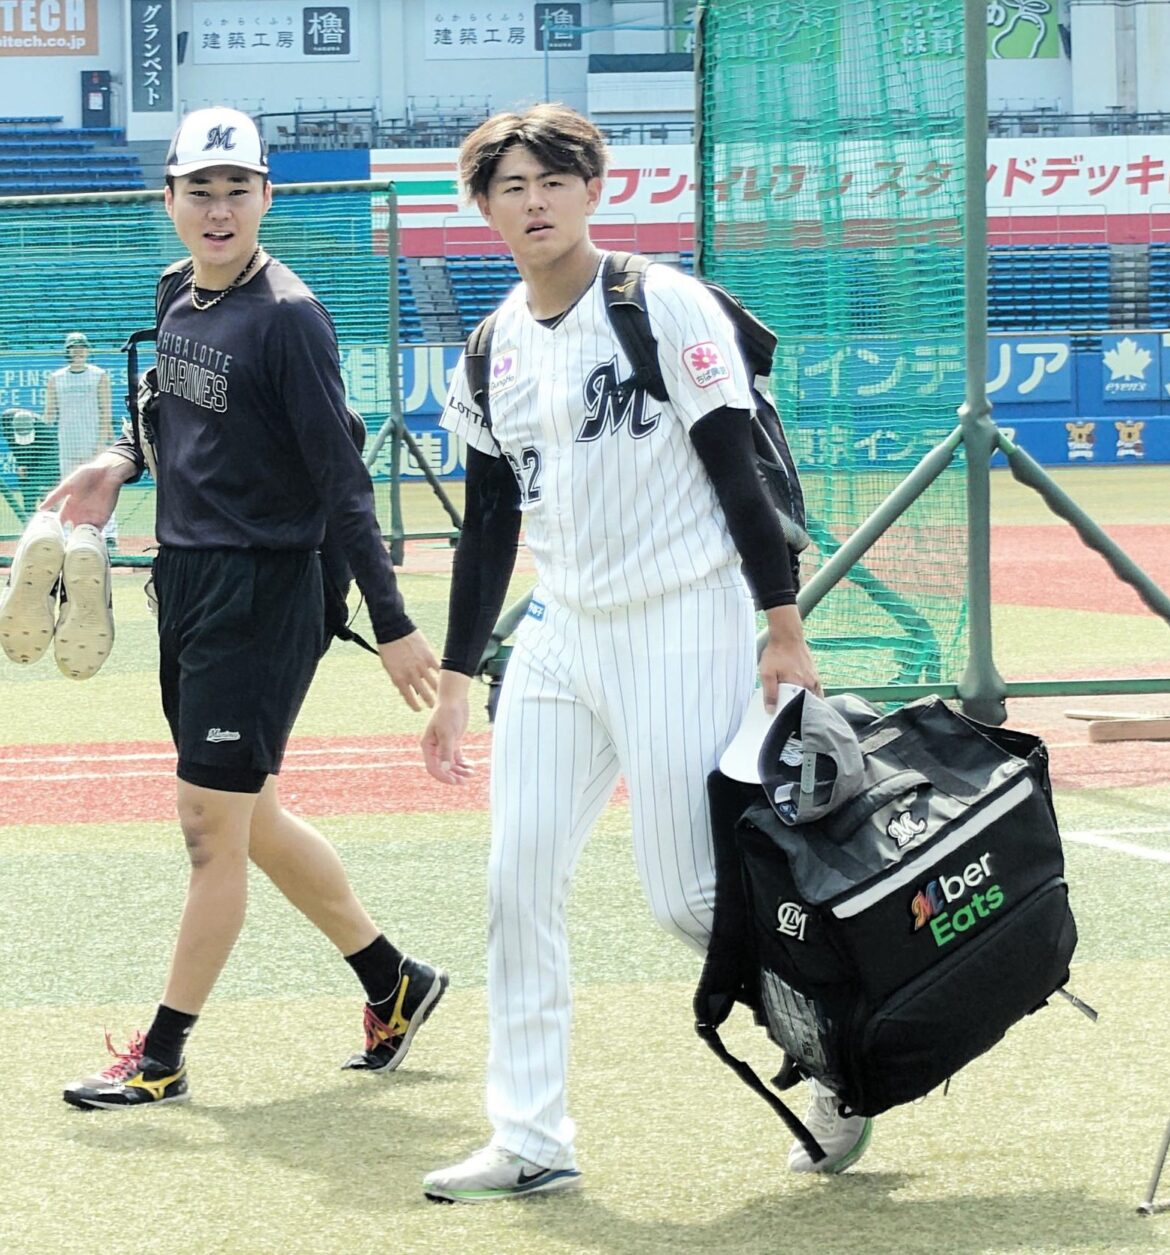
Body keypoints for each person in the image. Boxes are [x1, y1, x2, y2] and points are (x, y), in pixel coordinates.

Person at [419, 103, 868, 1203]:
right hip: (563, 633)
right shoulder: (489, 347)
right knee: (514, 879)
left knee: (690, 896)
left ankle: (849, 1048)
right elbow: (486, 528)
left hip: (685, 615)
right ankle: (531, 1135)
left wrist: (783, 618)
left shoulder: (658, 303)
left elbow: (737, 467)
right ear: (482, 207)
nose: (534, 201)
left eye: (553, 180)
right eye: (510, 186)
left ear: (593, 189)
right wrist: (458, 678)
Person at [37, 106, 447, 1109]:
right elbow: (165, 406)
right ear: (169, 198)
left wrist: (391, 621)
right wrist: (116, 461)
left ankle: (163, 1053)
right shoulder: (179, 292)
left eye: (237, 189)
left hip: (270, 587)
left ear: (267, 194)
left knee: (209, 826)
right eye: (199, 189)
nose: (218, 209)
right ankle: (395, 982)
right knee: (249, 812)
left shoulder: (289, 317)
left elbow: (344, 480)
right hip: (187, 576)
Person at [43, 330, 117, 549]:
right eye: (73, 347)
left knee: (101, 486)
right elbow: (49, 415)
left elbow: (105, 411)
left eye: (81, 346)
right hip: (67, 442)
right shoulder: (56, 378)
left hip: (93, 440)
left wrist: (102, 441)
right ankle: (67, 532)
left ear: (87, 350)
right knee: (68, 486)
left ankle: (110, 533)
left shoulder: (99, 375)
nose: (77, 351)